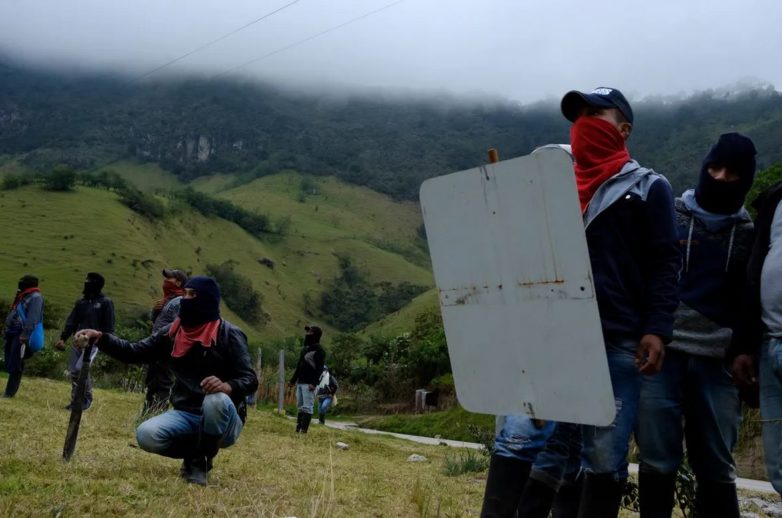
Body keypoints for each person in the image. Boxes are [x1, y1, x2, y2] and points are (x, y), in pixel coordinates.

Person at [560, 87, 680, 517]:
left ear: (624, 128)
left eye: (596, 114)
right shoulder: (553, 187)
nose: (584, 123)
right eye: (579, 116)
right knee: (545, 451)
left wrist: (656, 328)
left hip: (616, 340)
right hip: (556, 340)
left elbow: (666, 263)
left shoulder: (650, 188)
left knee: (603, 456)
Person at [636, 133, 756, 518]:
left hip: (717, 364)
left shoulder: (750, 235)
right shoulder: (668, 215)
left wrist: (743, 349)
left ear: (747, 179)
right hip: (660, 355)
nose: (720, 178)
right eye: (713, 168)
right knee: (656, 459)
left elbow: (749, 301)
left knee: (716, 465)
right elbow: (646, 274)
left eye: (732, 173)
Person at [73, 276, 258, 486]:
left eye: (192, 295)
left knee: (214, 399)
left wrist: (228, 386)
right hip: (187, 412)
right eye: (185, 293)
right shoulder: (172, 333)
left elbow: (250, 379)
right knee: (146, 435)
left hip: (224, 417)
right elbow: (135, 352)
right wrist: (101, 337)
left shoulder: (230, 334)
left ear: (207, 300)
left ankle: (200, 464)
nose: (185, 299)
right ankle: (196, 451)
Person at [731, 174, 782, 497]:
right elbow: (754, 271)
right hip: (768, 344)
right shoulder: (775, 198)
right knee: (778, 464)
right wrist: (745, 346)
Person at [54, 272, 115, 410]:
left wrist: (103, 340)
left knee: (80, 369)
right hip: (77, 342)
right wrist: (63, 338)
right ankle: (76, 401)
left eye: (90, 281)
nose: (87, 283)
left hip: (93, 343)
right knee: (74, 372)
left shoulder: (105, 302)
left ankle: (86, 399)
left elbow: (109, 327)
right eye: (86, 281)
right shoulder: (81, 302)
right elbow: (72, 321)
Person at [143, 268, 188, 412]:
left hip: (165, 347)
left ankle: (158, 411)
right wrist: (155, 311)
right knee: (152, 379)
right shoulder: (166, 300)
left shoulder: (179, 301)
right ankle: (149, 409)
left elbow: (178, 325)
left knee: (162, 380)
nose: (165, 281)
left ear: (179, 282)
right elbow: (158, 321)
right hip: (156, 345)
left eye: (170, 278)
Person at [2, 274, 44, 397]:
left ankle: (9, 393)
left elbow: (33, 317)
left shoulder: (36, 297)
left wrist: (25, 334)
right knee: (10, 360)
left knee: (16, 363)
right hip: (12, 333)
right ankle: (8, 391)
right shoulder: (23, 296)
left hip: (21, 335)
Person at [289, 325, 325, 434]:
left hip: (309, 384)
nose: (307, 334)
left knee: (308, 407)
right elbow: (299, 366)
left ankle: (303, 432)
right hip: (300, 382)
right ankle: (298, 429)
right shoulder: (304, 349)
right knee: (300, 407)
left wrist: (314, 383)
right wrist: (292, 380)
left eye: (309, 332)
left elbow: (320, 369)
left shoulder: (320, 350)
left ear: (315, 335)